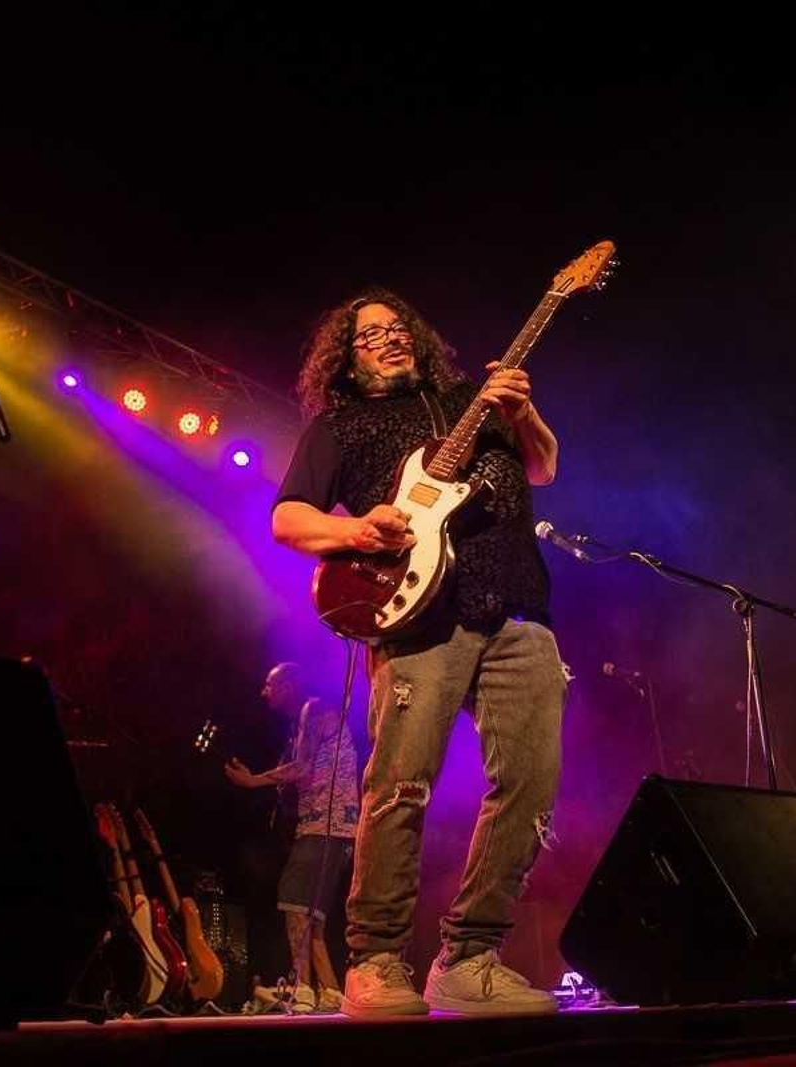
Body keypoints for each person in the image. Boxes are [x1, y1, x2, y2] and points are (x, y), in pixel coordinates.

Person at [271, 290, 566, 1016]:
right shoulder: (340, 426)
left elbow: (544, 467)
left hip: (518, 608)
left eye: (398, 328)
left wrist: (520, 413)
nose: (390, 339)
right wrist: (356, 531)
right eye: (370, 335)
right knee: (400, 786)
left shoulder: (475, 397)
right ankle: (373, 959)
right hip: (414, 614)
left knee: (530, 786)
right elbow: (287, 518)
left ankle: (469, 957)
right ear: (347, 357)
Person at [226, 662, 360, 1013]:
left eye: (269, 685)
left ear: (287, 685)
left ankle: (301, 989)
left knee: (294, 901)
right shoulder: (308, 715)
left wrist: (253, 780)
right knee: (311, 916)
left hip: (324, 825)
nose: (263, 692)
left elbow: (301, 767)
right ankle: (330, 993)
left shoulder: (311, 709)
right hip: (334, 828)